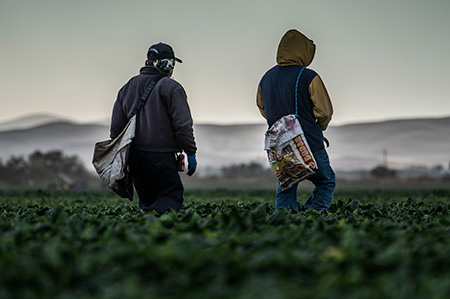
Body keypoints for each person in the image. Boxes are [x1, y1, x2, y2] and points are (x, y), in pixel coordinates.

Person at [110, 42, 197, 214]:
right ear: (167, 64)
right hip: (161, 156)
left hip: (134, 158)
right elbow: (183, 125)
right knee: (171, 197)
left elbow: (116, 131)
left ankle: (139, 231)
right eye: (172, 64)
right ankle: (144, 223)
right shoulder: (171, 88)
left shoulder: (127, 87)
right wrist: (191, 151)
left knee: (147, 201)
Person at [256, 29, 335, 211]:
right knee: (325, 181)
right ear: (304, 51)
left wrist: (280, 124)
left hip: (279, 144)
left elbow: (262, 108)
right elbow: (324, 112)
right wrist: (319, 127)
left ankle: (285, 220)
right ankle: (312, 216)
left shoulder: (265, 78)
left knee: (287, 184)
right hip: (309, 141)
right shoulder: (308, 76)